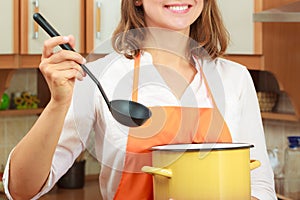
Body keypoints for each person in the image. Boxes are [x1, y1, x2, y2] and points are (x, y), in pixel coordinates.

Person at [3, 0, 277, 199]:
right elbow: (20, 189)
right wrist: (58, 104)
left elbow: (261, 188)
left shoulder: (234, 78)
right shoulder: (100, 78)